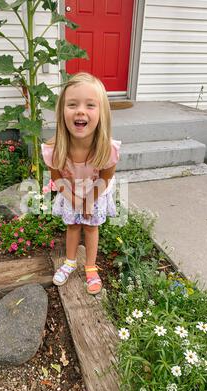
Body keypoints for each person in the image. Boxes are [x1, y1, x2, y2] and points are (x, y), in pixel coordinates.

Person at [41, 72, 121, 295]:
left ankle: (90, 266)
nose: (80, 110)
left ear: (102, 114)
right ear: (62, 112)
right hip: (70, 191)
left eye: (90, 105)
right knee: (73, 225)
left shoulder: (107, 149)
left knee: (91, 226)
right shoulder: (54, 149)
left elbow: (105, 178)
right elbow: (57, 177)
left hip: (97, 191)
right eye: (72, 104)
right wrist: (75, 199)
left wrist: (89, 201)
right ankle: (69, 261)